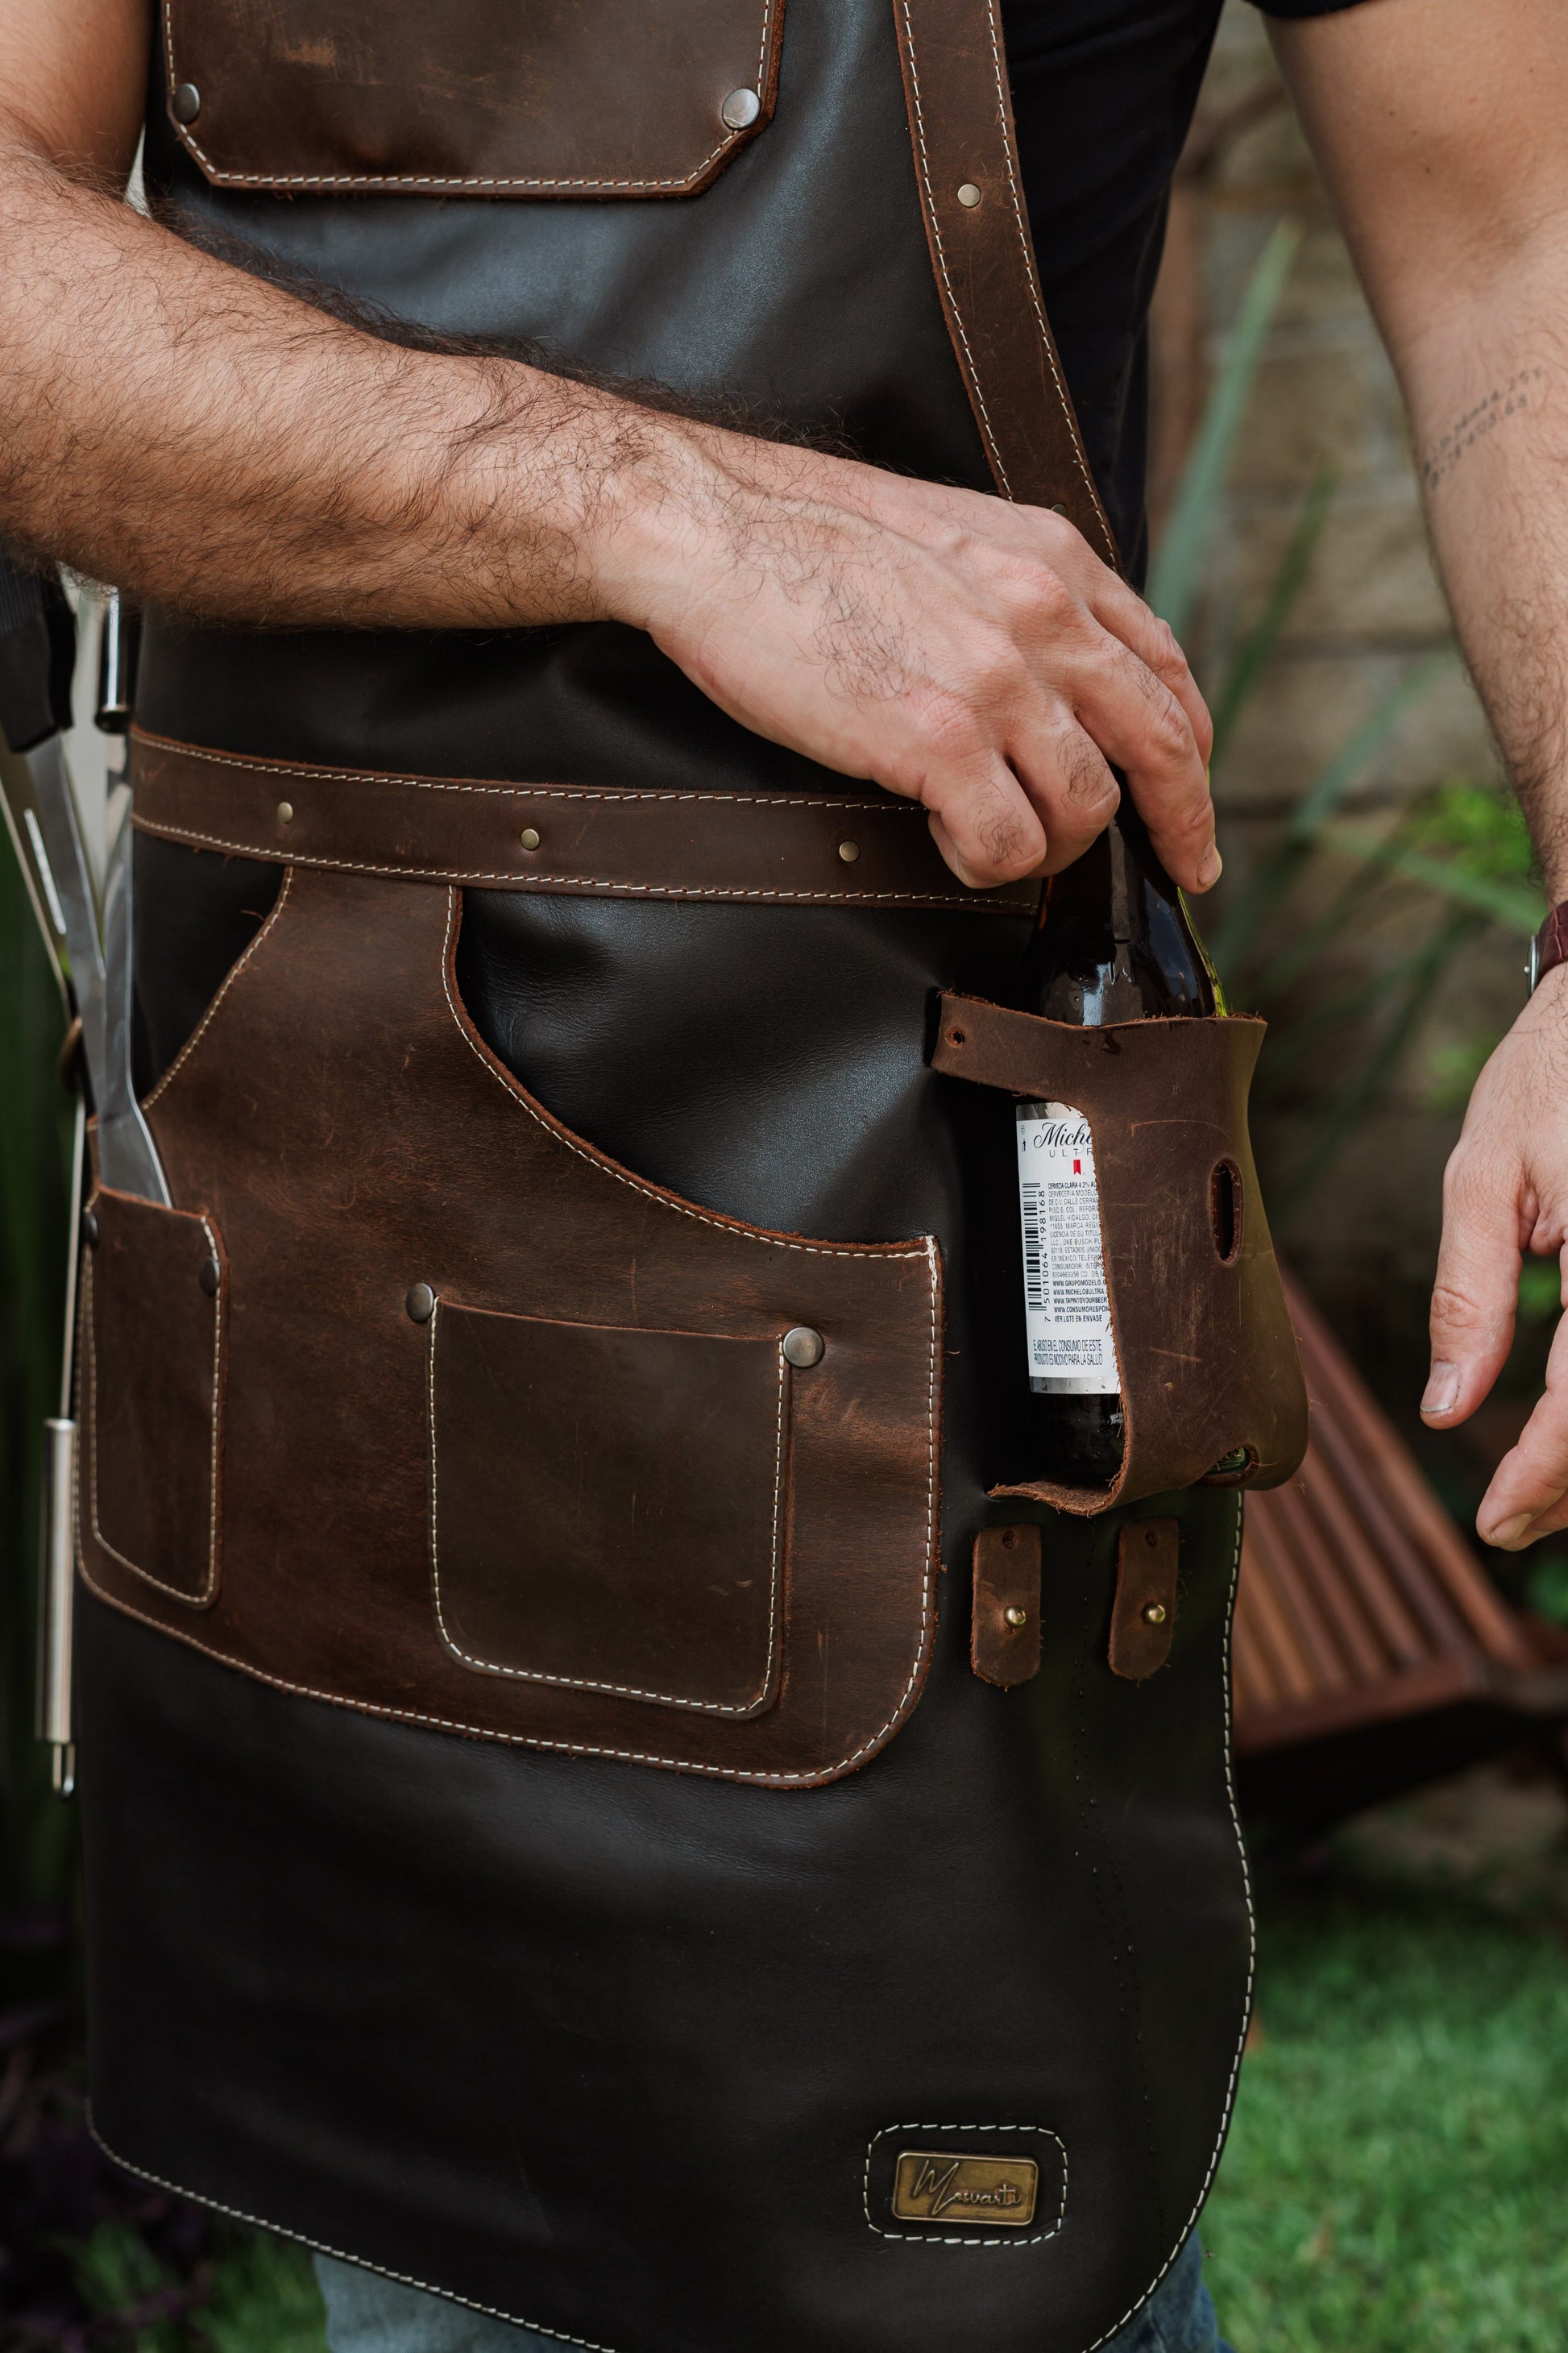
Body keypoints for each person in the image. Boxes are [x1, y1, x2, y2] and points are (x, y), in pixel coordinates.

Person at [1, 2, 1562, 2350]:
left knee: (952, 2250)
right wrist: (655, 509)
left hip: (910, 1246)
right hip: (313, 1238)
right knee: (446, 2246)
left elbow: (1518, 234)